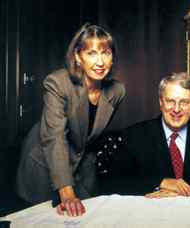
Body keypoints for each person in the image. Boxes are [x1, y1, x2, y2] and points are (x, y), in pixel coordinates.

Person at [16, 23, 125, 217]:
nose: (100, 62)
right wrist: (66, 191)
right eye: (91, 53)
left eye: (106, 53)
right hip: (45, 163)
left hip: (82, 166)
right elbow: (54, 138)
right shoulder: (58, 83)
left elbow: (89, 135)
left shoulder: (117, 91)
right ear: (78, 56)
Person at [105, 72, 190, 197]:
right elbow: (113, 182)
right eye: (170, 101)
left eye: (184, 102)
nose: (176, 109)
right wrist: (159, 183)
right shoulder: (134, 136)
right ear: (161, 103)